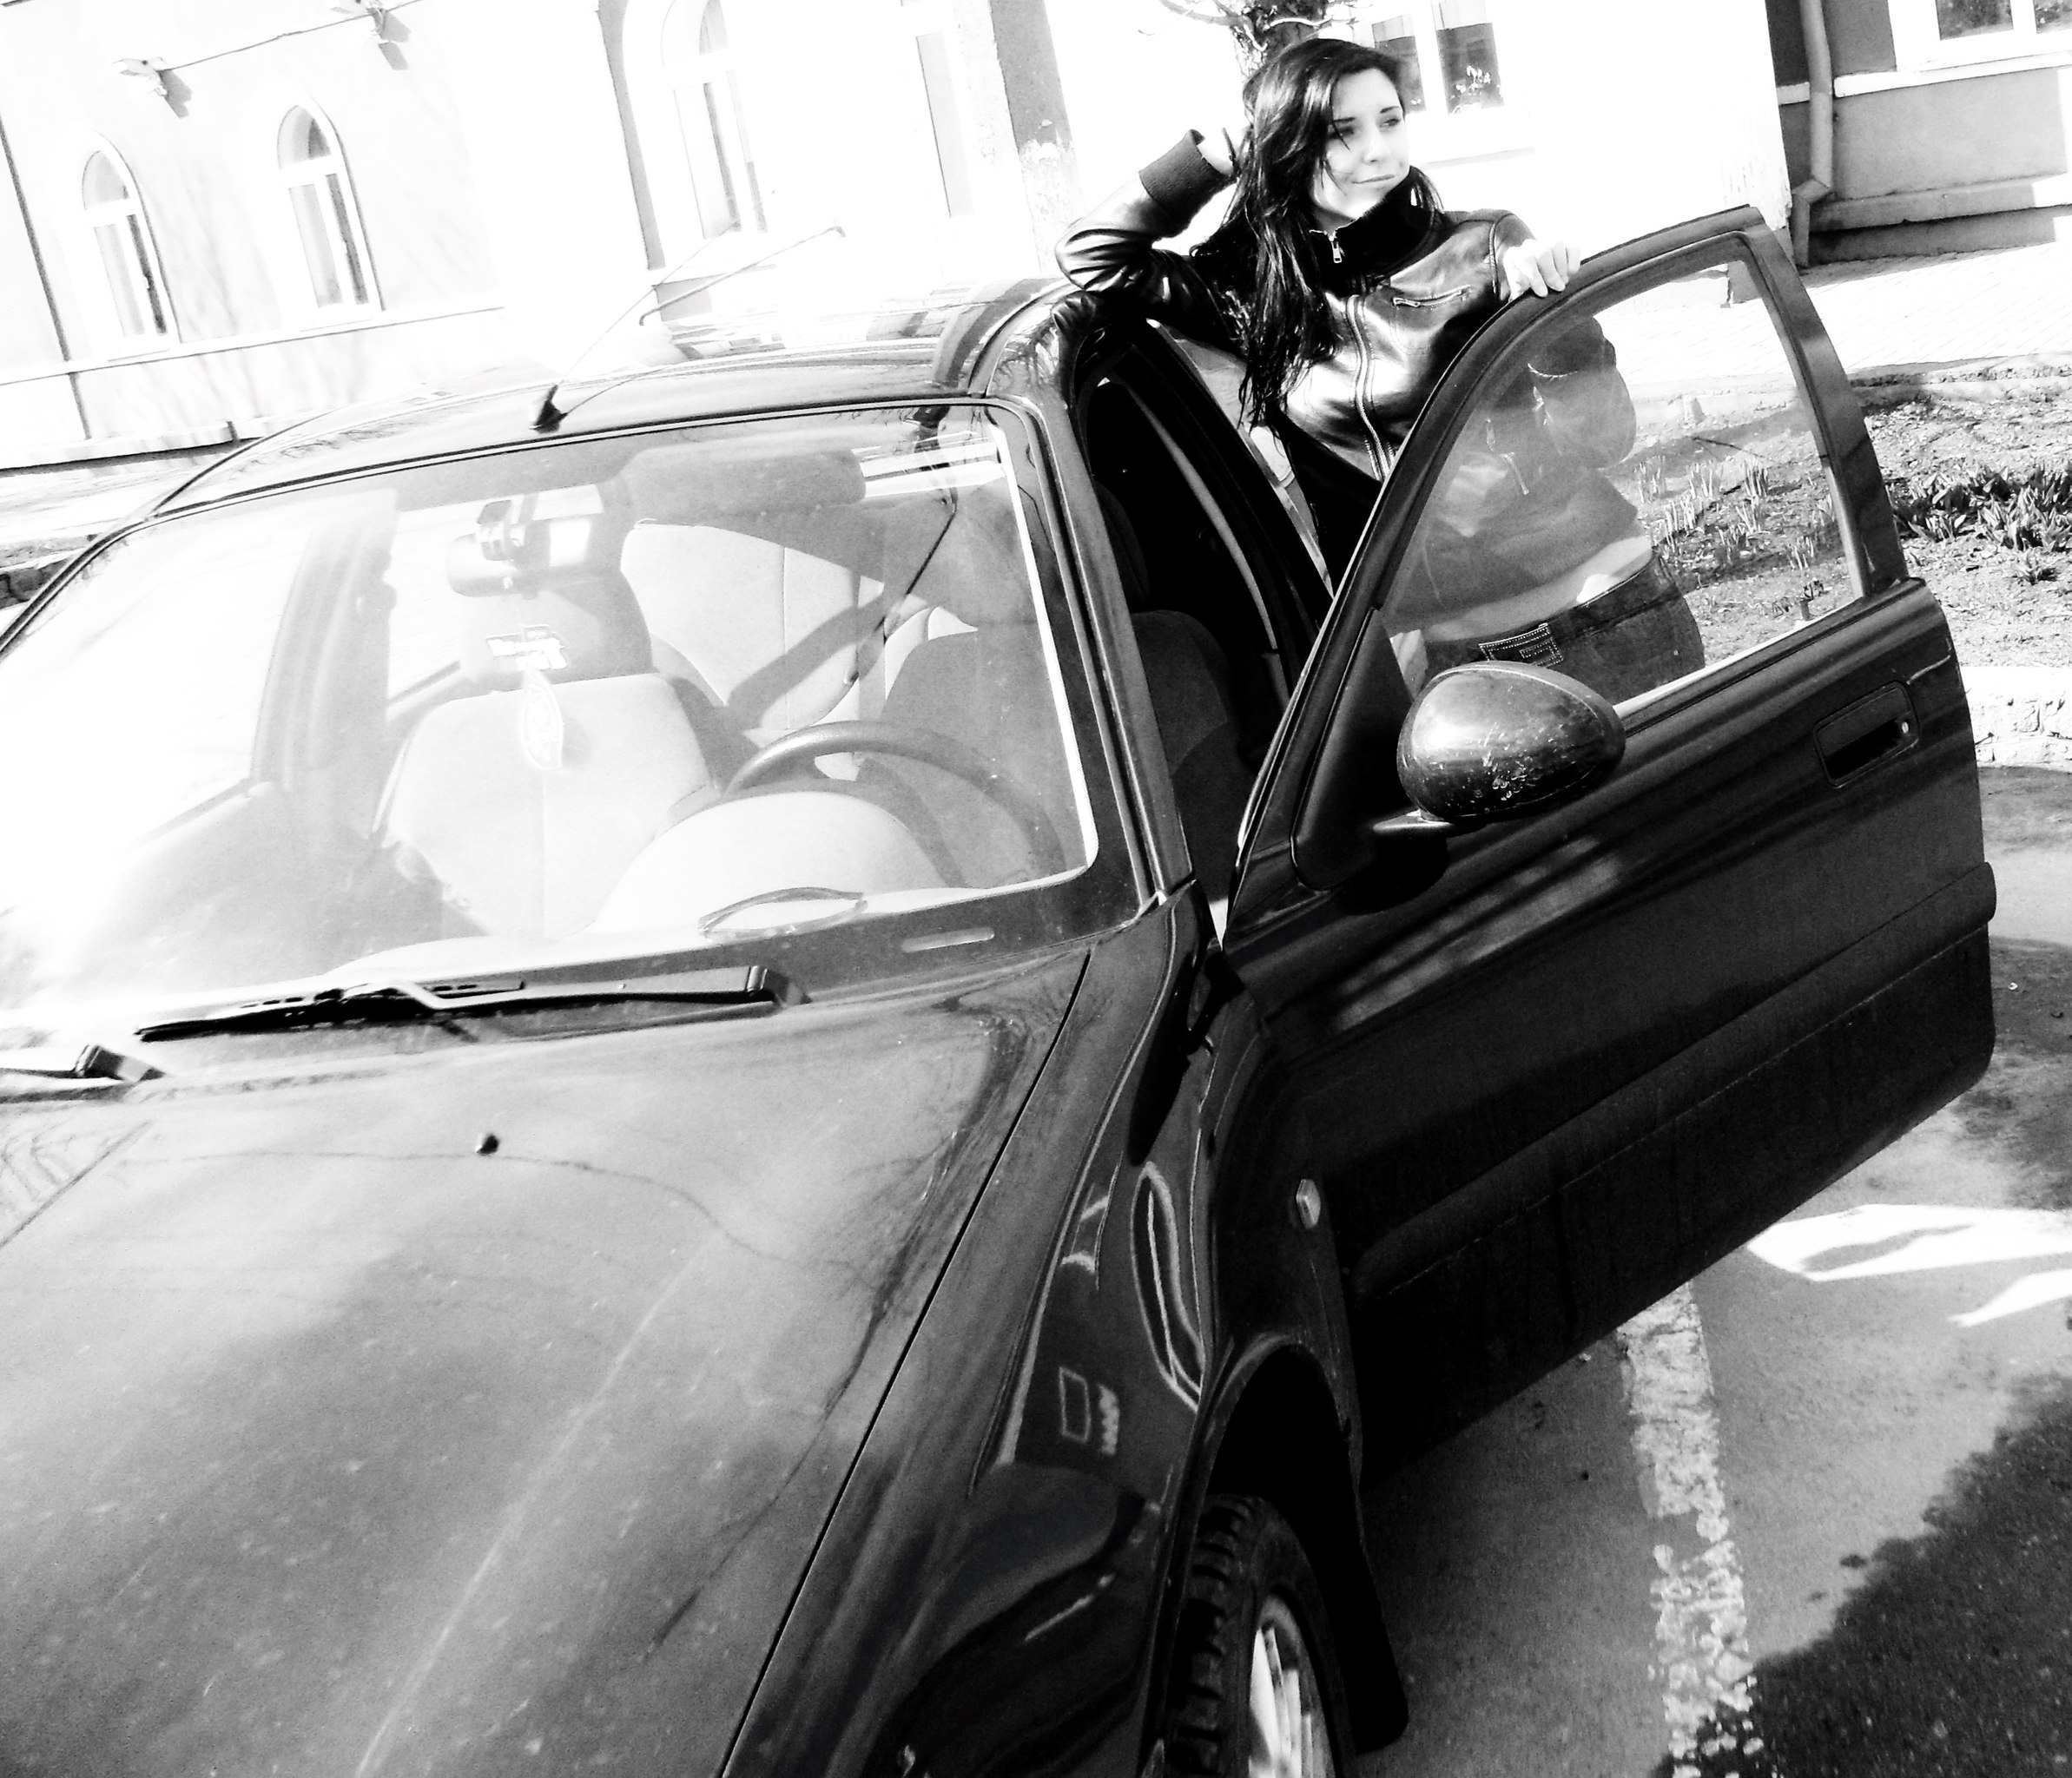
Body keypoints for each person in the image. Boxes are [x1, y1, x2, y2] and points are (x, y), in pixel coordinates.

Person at [1056, 34, 1702, 708]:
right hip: (1446, 660)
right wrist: (1215, 154)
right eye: (1343, 132)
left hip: (1598, 613)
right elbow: (1091, 253)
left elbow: (1606, 439)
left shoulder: (1482, 248)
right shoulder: (1256, 293)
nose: (1379, 150)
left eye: (1391, 121)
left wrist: (1557, 325)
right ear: (1285, 145)